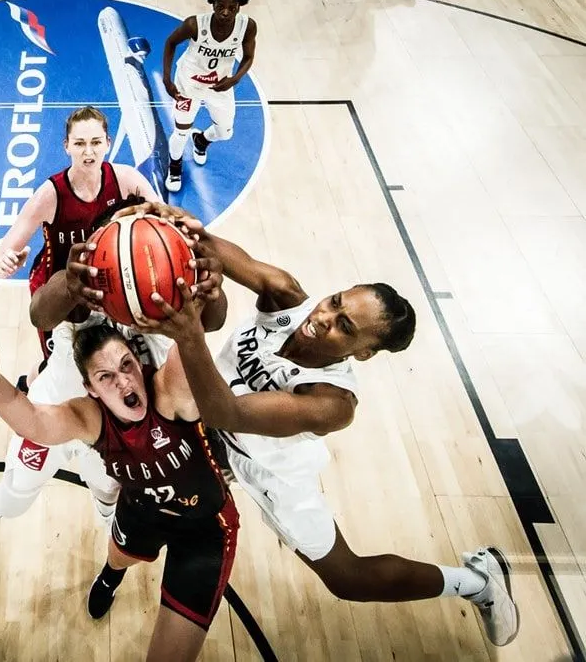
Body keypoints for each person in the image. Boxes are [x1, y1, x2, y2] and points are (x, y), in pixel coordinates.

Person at [122, 204, 518, 647]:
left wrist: (190, 333)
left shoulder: (332, 402)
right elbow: (206, 244)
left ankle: (477, 581)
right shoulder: (286, 295)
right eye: (335, 302)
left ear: (363, 352)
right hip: (210, 429)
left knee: (348, 578)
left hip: (270, 467)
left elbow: (228, 413)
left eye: (344, 326)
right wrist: (178, 226)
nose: (323, 318)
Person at [0, 315, 237, 662]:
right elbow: (35, 422)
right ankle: (109, 577)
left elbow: (192, 338)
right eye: (106, 377)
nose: (123, 382)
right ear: (91, 389)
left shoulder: (167, 389)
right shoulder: (91, 416)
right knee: (116, 556)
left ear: (137, 359)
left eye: (126, 366)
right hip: (140, 511)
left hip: (204, 528)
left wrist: (190, 308)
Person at [0, 200, 227, 527]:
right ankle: (2, 502)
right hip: (57, 406)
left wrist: (213, 289)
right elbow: (40, 313)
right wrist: (69, 284)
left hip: (118, 430)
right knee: (20, 482)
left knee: (108, 492)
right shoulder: (85, 281)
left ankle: (111, 520)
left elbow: (215, 321)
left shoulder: (166, 287)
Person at [0, 106, 161, 360]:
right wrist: (6, 263)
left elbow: (166, 222)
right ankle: (30, 383)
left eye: (95, 142)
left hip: (107, 278)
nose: (88, 152)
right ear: (66, 146)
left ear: (108, 143)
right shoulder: (49, 195)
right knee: (58, 362)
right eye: (80, 143)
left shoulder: (126, 179)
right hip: (58, 287)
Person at [161, 0, 256, 192]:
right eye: (220, 6)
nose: (225, 11)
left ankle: (201, 140)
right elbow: (170, 43)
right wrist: (167, 80)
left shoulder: (247, 26)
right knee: (180, 132)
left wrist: (235, 79)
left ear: (239, 7)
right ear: (212, 4)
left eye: (232, 8)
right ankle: (175, 167)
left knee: (225, 133)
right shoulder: (195, 24)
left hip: (220, 85)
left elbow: (248, 57)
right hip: (189, 84)